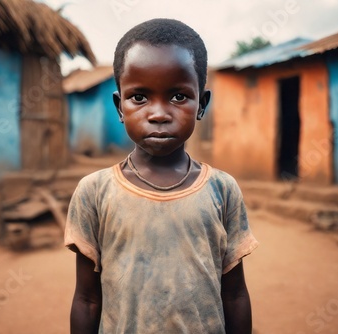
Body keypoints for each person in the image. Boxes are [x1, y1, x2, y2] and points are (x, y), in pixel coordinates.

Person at [65, 18, 259, 334]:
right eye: (139, 97)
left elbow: (235, 294)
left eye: (178, 96)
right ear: (119, 106)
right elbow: (87, 299)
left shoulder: (222, 190)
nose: (158, 113)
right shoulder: (94, 192)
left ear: (202, 104)